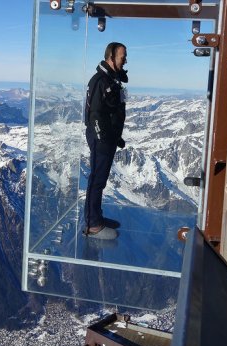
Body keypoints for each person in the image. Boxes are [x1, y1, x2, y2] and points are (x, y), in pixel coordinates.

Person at [83, 42, 128, 240]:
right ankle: (93, 224)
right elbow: (94, 114)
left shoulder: (110, 79)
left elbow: (110, 112)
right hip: (101, 139)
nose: (125, 60)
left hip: (107, 138)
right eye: (122, 57)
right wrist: (104, 139)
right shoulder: (100, 81)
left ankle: (97, 217)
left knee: (100, 180)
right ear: (111, 57)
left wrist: (115, 137)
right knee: (97, 180)